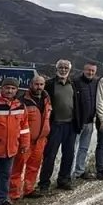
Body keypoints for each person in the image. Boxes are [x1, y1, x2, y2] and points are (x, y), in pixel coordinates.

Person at [36, 60, 80, 194]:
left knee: (68, 154)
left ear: (69, 69)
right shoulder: (49, 84)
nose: (63, 69)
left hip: (70, 125)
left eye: (66, 67)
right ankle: (44, 184)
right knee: (50, 155)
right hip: (54, 125)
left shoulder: (73, 84)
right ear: (56, 68)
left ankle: (64, 180)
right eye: (61, 67)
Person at [14, 76, 51, 199]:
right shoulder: (22, 101)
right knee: (18, 167)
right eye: (36, 84)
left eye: (41, 84)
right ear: (30, 84)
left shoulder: (46, 98)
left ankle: (29, 190)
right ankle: (13, 194)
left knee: (34, 166)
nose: (39, 87)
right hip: (26, 141)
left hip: (40, 140)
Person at [73, 63, 100, 180]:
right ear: (83, 70)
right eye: (89, 70)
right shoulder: (75, 82)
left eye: (93, 71)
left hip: (90, 122)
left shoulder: (95, 83)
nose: (90, 73)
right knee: (73, 149)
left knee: (84, 148)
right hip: (77, 122)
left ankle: (80, 170)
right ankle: (69, 174)